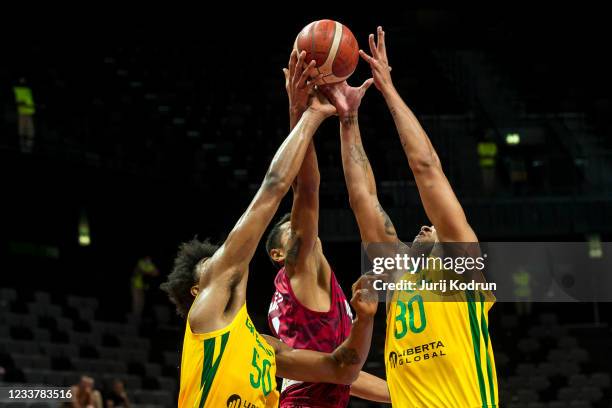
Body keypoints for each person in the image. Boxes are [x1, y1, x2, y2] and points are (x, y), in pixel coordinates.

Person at [161, 52, 379, 408]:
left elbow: (342, 370)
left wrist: (365, 321)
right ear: (199, 291)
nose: (226, 260)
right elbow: (277, 188)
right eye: (214, 264)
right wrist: (307, 114)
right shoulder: (206, 320)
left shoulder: (266, 347)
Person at [323, 27, 498, 407]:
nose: (424, 225)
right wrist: (348, 119)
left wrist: (388, 89)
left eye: (431, 226)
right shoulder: (399, 271)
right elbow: (363, 199)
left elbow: (426, 167)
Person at [264, 50, 389, 407]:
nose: (302, 224)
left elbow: (345, 373)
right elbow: (305, 190)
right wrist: (302, 114)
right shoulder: (298, 269)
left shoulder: (307, 294)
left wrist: (415, 395)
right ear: (277, 254)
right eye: (292, 225)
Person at [131, 255, 159, 324]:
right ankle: (135, 317)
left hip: (144, 287)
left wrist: (149, 271)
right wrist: (147, 272)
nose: (148, 259)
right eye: (147, 258)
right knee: (137, 302)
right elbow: (137, 271)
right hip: (136, 285)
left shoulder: (150, 265)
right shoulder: (141, 263)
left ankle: (139, 318)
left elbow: (156, 273)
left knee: (142, 303)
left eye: (149, 258)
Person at [13, 77, 36, 153]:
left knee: (30, 131)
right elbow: (16, 100)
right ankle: (23, 147)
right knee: (22, 130)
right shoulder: (17, 89)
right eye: (21, 79)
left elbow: (30, 100)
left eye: (23, 79)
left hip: (29, 112)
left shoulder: (28, 89)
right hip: (22, 111)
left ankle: (28, 147)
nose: (22, 81)